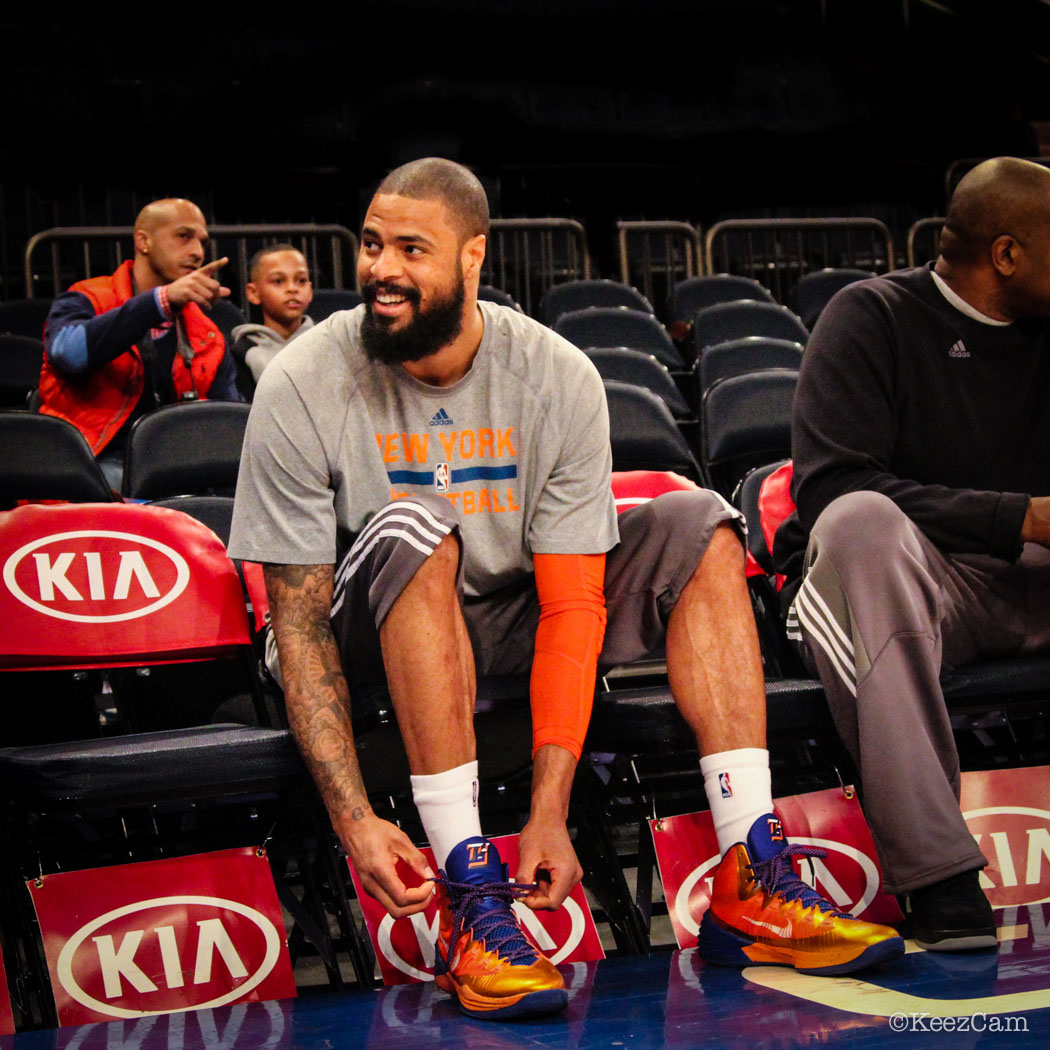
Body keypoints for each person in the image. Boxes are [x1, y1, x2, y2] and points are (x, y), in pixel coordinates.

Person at [228, 158, 902, 1020]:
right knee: (417, 521)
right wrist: (354, 818)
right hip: (364, 639)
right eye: (370, 245)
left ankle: (751, 872)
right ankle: (471, 898)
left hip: (499, 621)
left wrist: (551, 807)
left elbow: (574, 606)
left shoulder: (556, 374)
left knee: (697, 520)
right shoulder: (302, 379)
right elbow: (299, 629)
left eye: (409, 248)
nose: (381, 269)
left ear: (473, 258)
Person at [773, 156, 1050, 953]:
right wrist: (1020, 517)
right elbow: (831, 489)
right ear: (1006, 256)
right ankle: (938, 876)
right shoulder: (874, 317)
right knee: (862, 523)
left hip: (1035, 581)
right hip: (923, 588)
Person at [39, 197, 243, 489]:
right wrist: (159, 302)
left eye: (203, 242)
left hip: (174, 466)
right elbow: (69, 354)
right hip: (90, 460)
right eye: (184, 237)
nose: (198, 252)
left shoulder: (206, 333)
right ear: (143, 241)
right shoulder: (88, 297)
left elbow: (229, 422)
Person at [231, 244, 315, 394]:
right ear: (253, 293)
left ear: (310, 290)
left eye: (301, 280)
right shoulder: (241, 353)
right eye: (278, 281)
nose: (292, 288)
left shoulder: (328, 342)